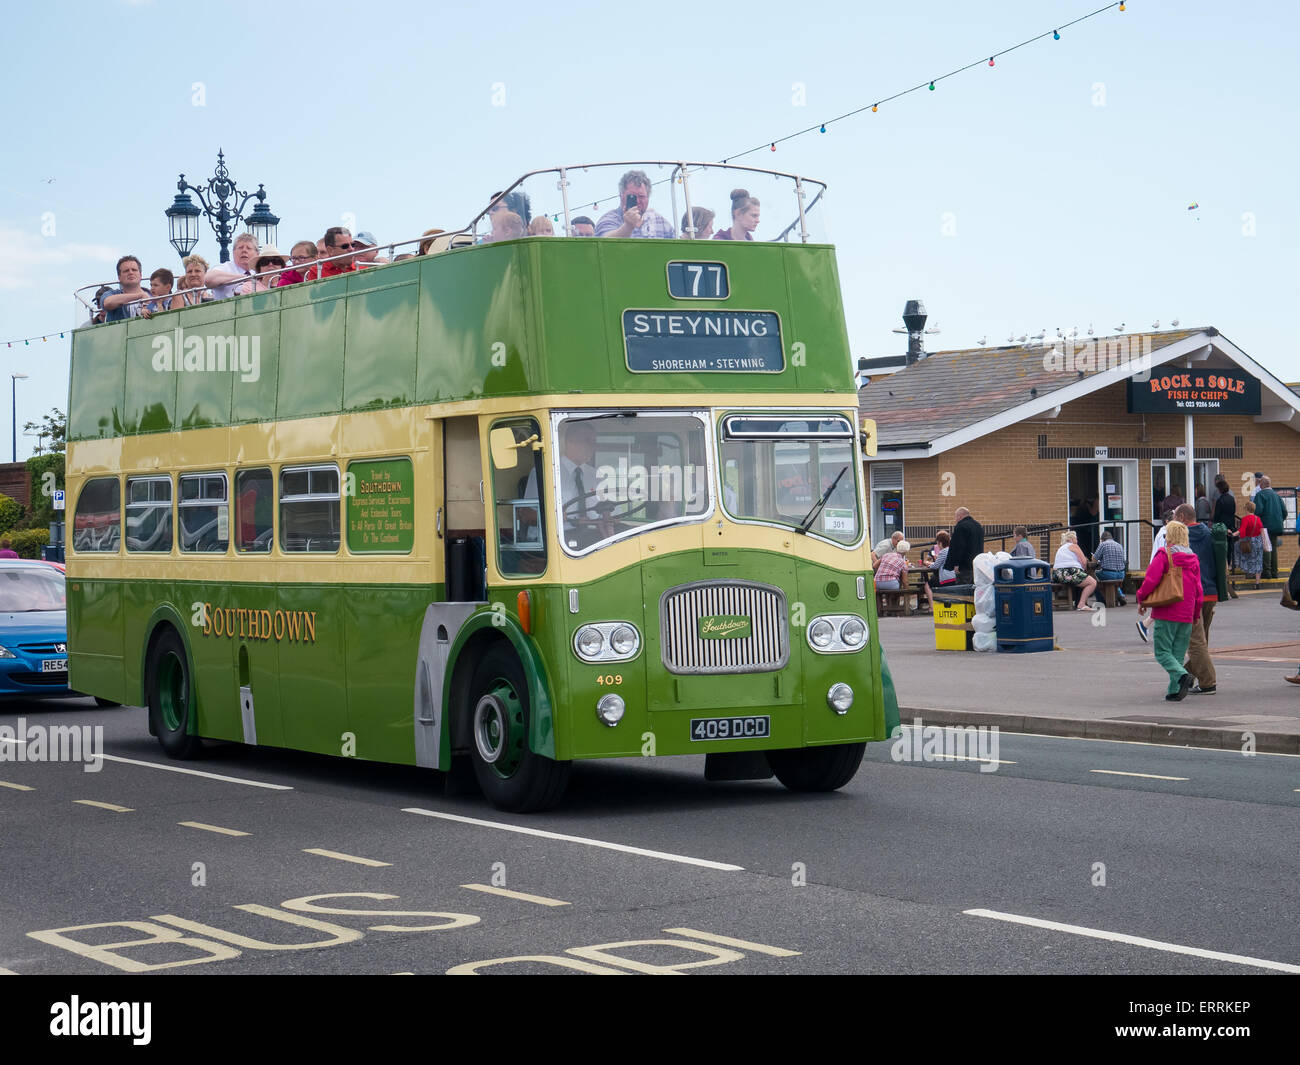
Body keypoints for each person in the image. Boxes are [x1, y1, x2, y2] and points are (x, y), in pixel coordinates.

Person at [1135, 520, 1203, 701]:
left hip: (1166, 611)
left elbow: (1151, 580)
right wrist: (1196, 614)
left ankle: (1181, 676)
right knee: (1178, 654)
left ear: (1170, 536)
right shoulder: (1193, 558)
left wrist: (1141, 598)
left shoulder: (1164, 555)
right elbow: (1199, 590)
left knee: (1162, 652)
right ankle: (1174, 690)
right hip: (1187, 613)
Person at [1174, 503, 1217, 694]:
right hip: (1211, 591)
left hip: (1192, 594)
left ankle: (1208, 683)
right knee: (1201, 640)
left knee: (1195, 642)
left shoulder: (1182, 538)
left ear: (1182, 517)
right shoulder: (1208, 533)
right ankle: (1185, 675)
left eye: (1175, 517)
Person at [594, 169, 675, 238]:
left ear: (648, 197)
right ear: (621, 196)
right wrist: (628, 226)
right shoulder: (608, 220)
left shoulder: (660, 221)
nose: (637, 201)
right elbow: (605, 244)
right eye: (632, 196)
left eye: (641, 196)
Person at [1053, 530, 1098, 611]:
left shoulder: (1061, 548)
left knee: (1080, 581)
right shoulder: (1073, 546)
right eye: (1076, 539)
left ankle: (1076, 602)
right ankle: (1081, 604)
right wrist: (1084, 568)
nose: (1077, 541)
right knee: (1092, 582)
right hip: (1069, 572)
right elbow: (1084, 562)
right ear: (1071, 539)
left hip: (1057, 574)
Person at [1252, 475, 1285, 579]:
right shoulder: (1277, 496)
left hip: (1265, 526)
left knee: (1266, 548)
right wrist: (1279, 520)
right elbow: (1285, 511)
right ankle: (1275, 572)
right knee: (1274, 548)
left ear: (1262, 484)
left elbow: (1258, 511)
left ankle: (1267, 572)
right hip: (1277, 525)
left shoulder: (1260, 495)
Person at [101, 256, 149, 321]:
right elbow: (108, 303)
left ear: (140, 275)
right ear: (119, 277)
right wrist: (140, 295)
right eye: (126, 271)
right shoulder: (112, 294)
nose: (131, 273)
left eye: (134, 270)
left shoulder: (153, 294)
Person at [946, 507, 984, 584]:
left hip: (964, 566)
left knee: (963, 590)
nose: (955, 519)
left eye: (955, 517)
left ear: (960, 516)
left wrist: (956, 564)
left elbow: (958, 547)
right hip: (977, 565)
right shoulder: (978, 526)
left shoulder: (961, 527)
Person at [1092, 529, 1128, 606]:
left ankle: (1101, 601)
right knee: (1113, 581)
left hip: (1108, 573)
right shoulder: (1119, 545)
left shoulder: (1103, 544)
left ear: (1102, 539)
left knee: (1093, 578)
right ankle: (1121, 596)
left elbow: (1094, 559)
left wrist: (1095, 559)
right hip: (1121, 574)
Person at [1236, 500, 1264, 589]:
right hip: (1259, 541)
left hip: (1249, 541)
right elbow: (1262, 530)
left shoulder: (1245, 519)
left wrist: (1233, 534)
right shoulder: (1258, 518)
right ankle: (1257, 583)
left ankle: (1245, 570)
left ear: (1247, 509)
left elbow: (1242, 530)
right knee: (1258, 560)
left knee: (1240, 551)